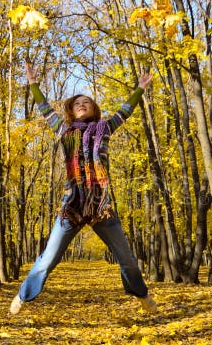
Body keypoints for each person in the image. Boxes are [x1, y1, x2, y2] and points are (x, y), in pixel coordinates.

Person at [10, 63, 158, 315]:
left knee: (128, 261)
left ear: (93, 109)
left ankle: (142, 295)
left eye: (86, 102)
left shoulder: (105, 128)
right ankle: (24, 297)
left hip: (101, 206)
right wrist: (33, 83)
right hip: (72, 206)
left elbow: (126, 110)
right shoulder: (64, 130)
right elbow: (44, 108)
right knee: (47, 260)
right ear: (70, 109)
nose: (82, 104)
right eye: (77, 102)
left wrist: (140, 89)